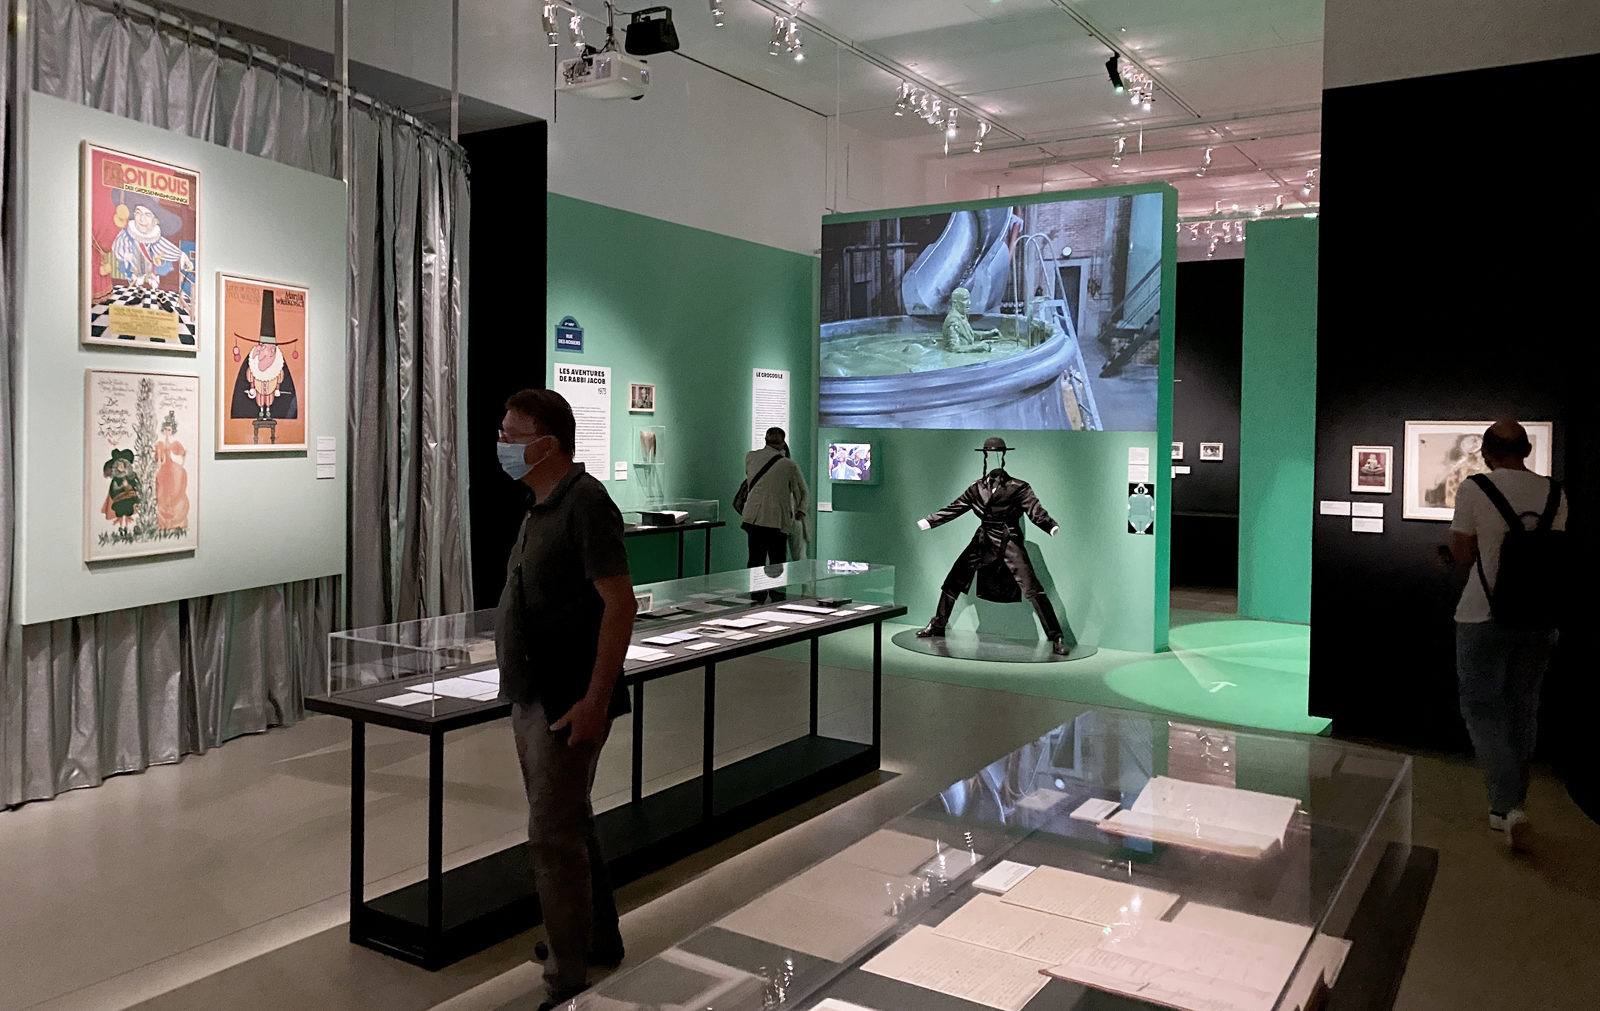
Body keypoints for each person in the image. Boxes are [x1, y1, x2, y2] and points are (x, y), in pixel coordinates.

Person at [493, 389, 633, 1007]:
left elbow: (619, 603)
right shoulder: (540, 506)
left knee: (552, 838)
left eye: (512, 435)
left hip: (567, 701)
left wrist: (595, 701)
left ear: (547, 445)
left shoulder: (586, 503)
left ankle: (567, 976)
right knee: (568, 821)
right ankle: (594, 938)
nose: (502, 444)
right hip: (534, 694)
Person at [1442, 420, 1567, 851]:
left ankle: (1508, 806)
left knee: (1482, 709)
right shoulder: (1555, 493)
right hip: (1540, 617)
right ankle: (1511, 807)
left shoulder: (1475, 488)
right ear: (1527, 450)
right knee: (1523, 706)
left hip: (1483, 613)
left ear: (1486, 452)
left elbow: (1462, 554)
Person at [915, 437, 1071, 655]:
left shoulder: (1019, 487)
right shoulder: (976, 488)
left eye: (998, 453)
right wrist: (930, 521)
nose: (994, 459)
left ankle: (1057, 636)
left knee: (1032, 588)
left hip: (1009, 540)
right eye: (989, 454)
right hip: (983, 539)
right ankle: (938, 624)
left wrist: (1049, 525)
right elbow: (955, 507)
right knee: (953, 580)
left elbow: (1034, 509)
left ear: (1004, 456)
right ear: (985, 457)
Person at [740, 426, 809, 583]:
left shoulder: (750, 457)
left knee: (755, 560)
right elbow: (802, 490)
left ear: (765, 440)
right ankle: (777, 593)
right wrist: (801, 510)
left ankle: (756, 594)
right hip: (776, 520)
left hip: (754, 518)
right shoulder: (788, 465)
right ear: (783, 443)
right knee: (777, 562)